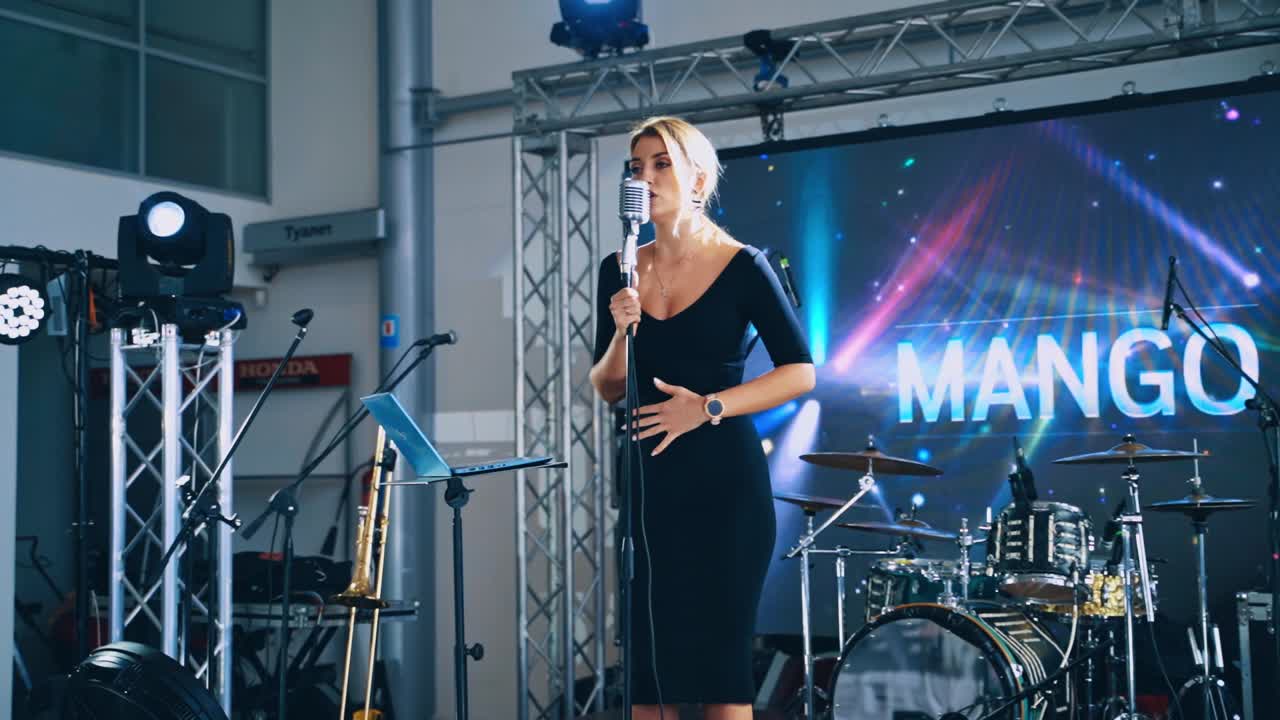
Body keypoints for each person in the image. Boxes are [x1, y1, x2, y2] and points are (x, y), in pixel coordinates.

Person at [590, 116, 815, 720]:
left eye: (662, 163)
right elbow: (607, 385)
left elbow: (799, 371)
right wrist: (620, 330)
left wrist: (707, 407)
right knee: (648, 679)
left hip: (724, 488)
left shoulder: (742, 264)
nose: (647, 176)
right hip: (648, 487)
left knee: (721, 680)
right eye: (637, 167)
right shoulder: (620, 269)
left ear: (697, 178)